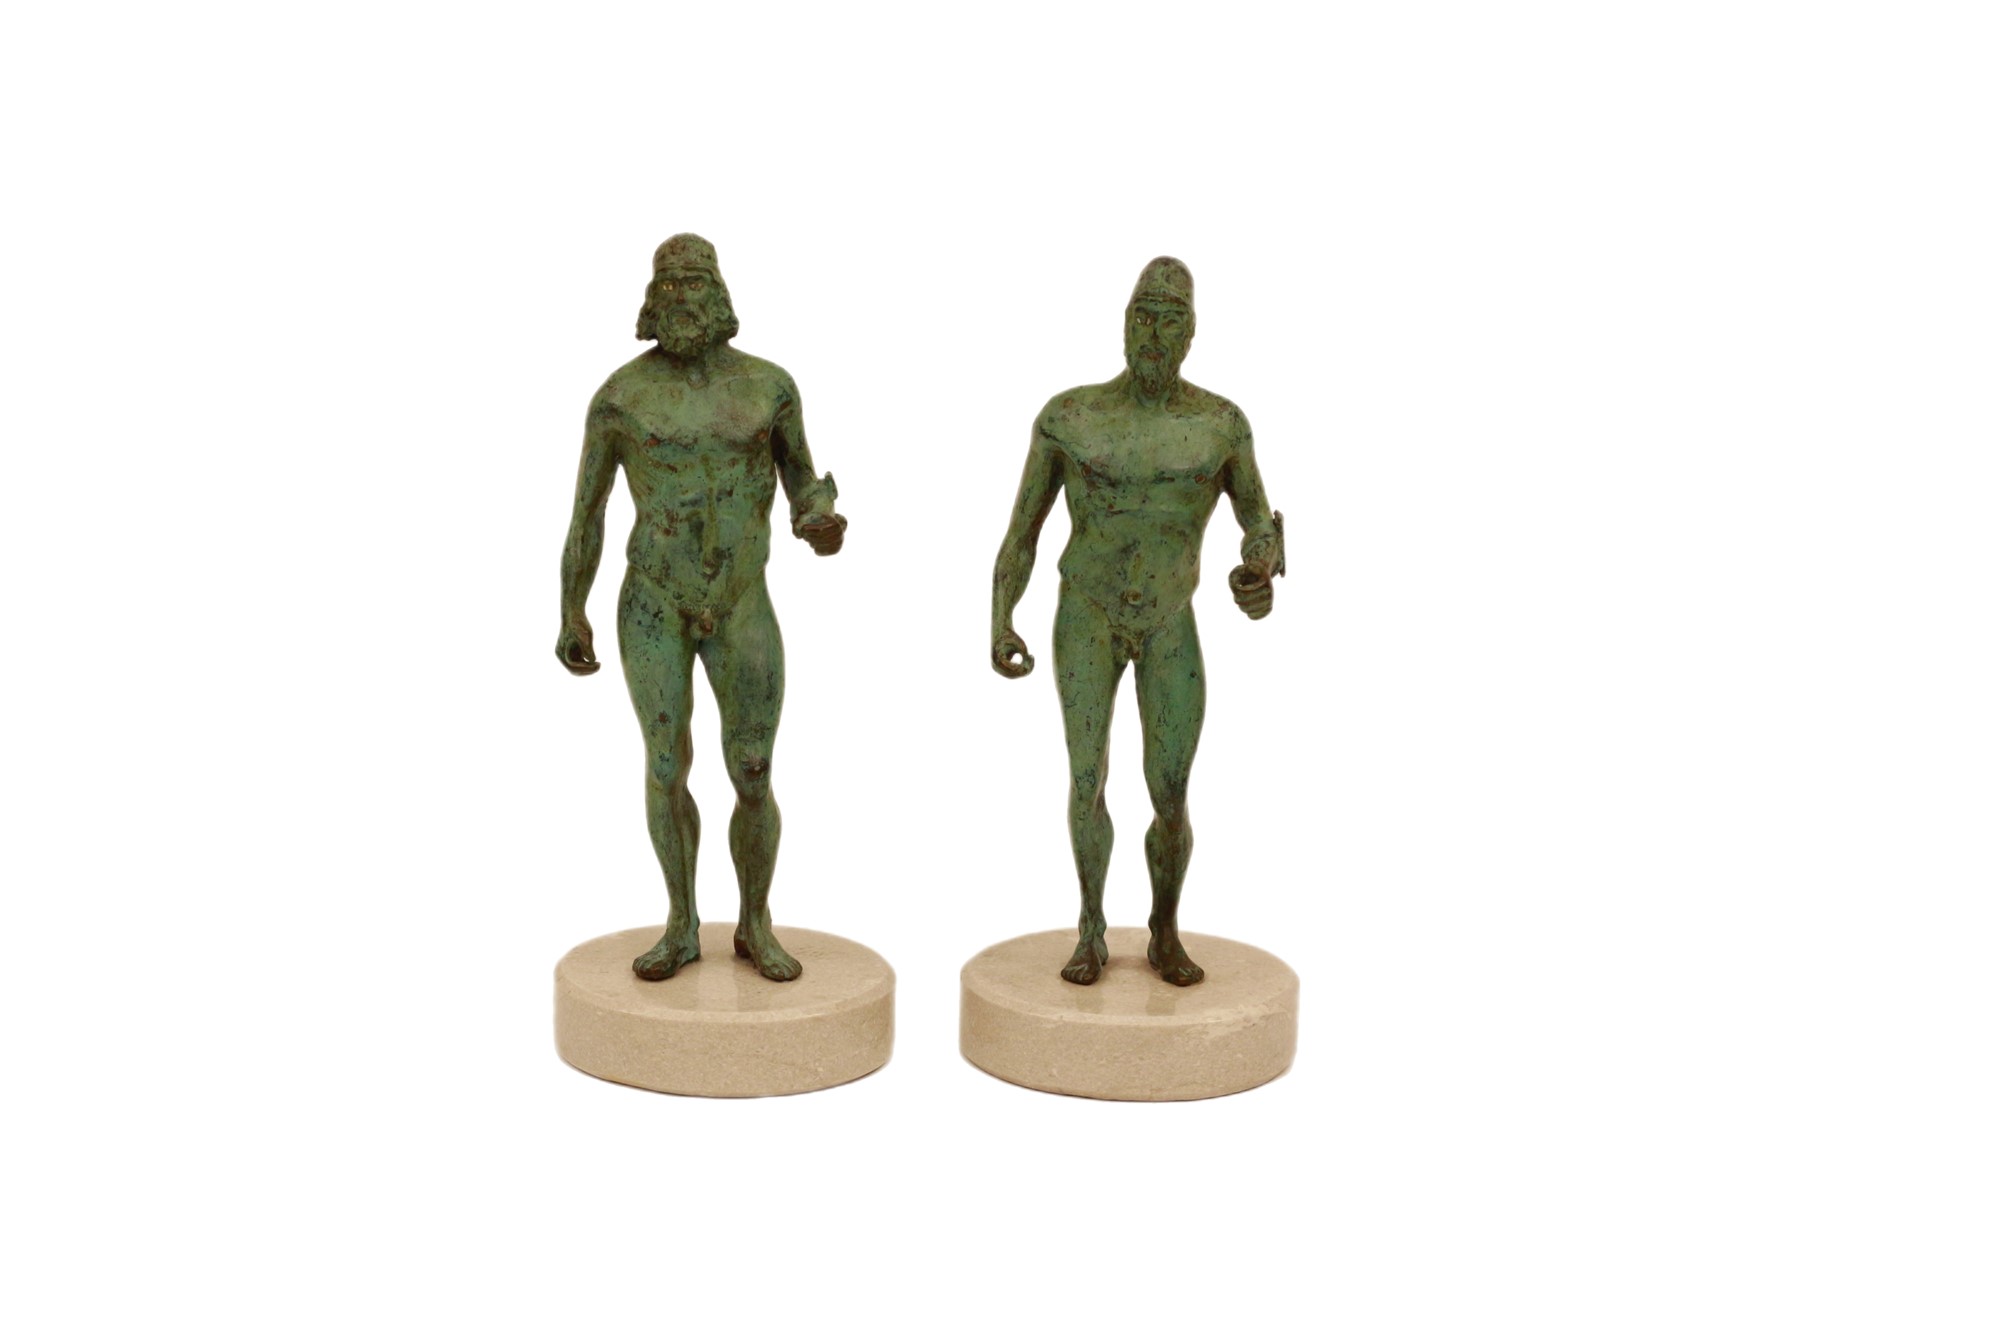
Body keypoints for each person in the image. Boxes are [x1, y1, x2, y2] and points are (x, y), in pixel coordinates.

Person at [557, 234, 845, 981]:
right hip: (654, 597)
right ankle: (682, 923)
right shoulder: (621, 397)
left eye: (694, 282)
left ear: (718, 293)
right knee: (664, 763)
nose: (681, 296)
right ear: (651, 299)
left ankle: (755, 922)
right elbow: (587, 513)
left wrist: (819, 519)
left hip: (741, 597)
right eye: (668, 284)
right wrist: (571, 607)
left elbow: (803, 482)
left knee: (753, 768)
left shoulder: (769, 388)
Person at [991, 256, 1282, 986]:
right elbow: (1022, 532)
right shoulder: (1071, 418)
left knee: (1171, 791)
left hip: (1168, 617)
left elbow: (1259, 523)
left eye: (1170, 321)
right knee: (1087, 776)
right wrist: (1001, 615)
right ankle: (1090, 926)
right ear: (1123, 325)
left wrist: (1260, 569)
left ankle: (1164, 928)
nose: (1153, 334)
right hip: (1086, 608)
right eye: (1142, 318)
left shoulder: (1220, 426)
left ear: (1192, 333)